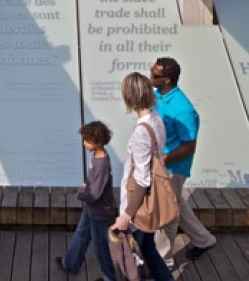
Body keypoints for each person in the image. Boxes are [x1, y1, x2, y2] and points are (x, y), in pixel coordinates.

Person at [150, 57, 216, 269]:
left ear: (167, 79)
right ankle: (204, 240)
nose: (150, 77)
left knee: (166, 214)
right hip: (162, 163)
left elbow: (189, 147)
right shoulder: (159, 94)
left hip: (172, 167)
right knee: (176, 203)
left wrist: (162, 161)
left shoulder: (183, 109)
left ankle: (164, 262)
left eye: (154, 75)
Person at [110, 72, 174, 281]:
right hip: (149, 202)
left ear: (129, 98)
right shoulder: (156, 120)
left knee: (131, 261)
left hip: (138, 207)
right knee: (149, 251)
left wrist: (126, 216)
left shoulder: (141, 131)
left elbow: (142, 179)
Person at [56, 121, 117, 281]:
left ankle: (110, 277)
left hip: (100, 212)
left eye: (87, 140)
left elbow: (94, 193)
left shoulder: (102, 163)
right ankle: (70, 263)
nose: (83, 143)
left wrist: (81, 194)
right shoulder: (97, 157)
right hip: (92, 209)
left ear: (98, 142)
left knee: (101, 248)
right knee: (81, 234)